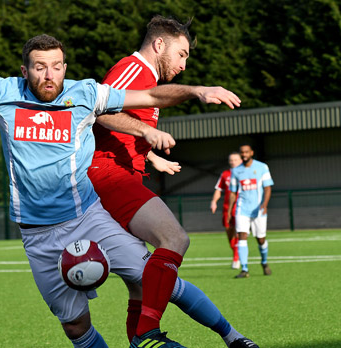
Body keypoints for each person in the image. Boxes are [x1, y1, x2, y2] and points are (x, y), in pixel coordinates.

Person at [0, 4, 239, 347]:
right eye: (39, 67)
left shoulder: (85, 94)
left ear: (65, 68)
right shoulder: (2, 91)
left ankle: (208, 336)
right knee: (76, 329)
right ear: (25, 70)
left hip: (88, 218)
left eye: (56, 65)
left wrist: (197, 90)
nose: (48, 74)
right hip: (37, 234)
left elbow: (152, 98)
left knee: (159, 281)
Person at [90, 16, 258, 348]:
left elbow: (118, 132)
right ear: (158, 44)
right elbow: (100, 111)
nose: (183, 65)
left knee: (142, 284)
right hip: (106, 175)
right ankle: (147, 333)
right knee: (174, 239)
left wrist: (152, 157)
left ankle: (160, 337)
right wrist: (147, 131)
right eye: (181, 55)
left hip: (124, 173)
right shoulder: (132, 67)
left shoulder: (146, 78)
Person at [228, 144, 274, 278]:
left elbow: (267, 188)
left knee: (261, 239)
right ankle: (244, 269)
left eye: (246, 152)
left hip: (258, 209)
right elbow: (232, 192)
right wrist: (231, 210)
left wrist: (264, 204)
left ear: (251, 153)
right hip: (242, 209)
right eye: (242, 152)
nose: (244, 154)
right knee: (242, 236)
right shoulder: (236, 171)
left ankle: (264, 262)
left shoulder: (262, 167)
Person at [211, 152, 243, 269]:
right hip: (227, 208)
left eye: (235, 160)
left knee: (238, 232)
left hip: (241, 207)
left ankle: (236, 257)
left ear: (240, 160)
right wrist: (214, 201)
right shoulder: (225, 174)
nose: (233, 162)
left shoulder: (245, 173)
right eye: (231, 160)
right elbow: (218, 190)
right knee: (229, 234)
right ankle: (236, 253)